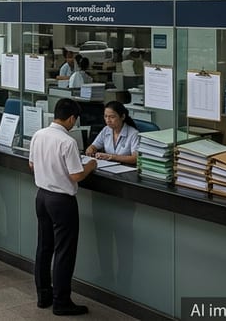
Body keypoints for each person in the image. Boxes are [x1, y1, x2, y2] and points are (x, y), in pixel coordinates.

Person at [30, 98, 97, 315]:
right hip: (61, 201)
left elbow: (32, 164)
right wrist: (91, 165)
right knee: (64, 252)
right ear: (71, 118)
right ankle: (61, 301)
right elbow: (76, 175)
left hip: (42, 197)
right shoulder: (67, 142)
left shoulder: (39, 134)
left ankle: (43, 295)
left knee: (44, 247)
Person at [86, 101, 139, 165]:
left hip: (128, 168)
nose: (108, 120)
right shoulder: (106, 129)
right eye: (105, 116)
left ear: (122, 117)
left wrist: (112, 157)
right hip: (109, 166)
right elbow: (94, 146)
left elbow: (135, 158)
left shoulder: (133, 134)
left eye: (112, 117)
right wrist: (91, 149)